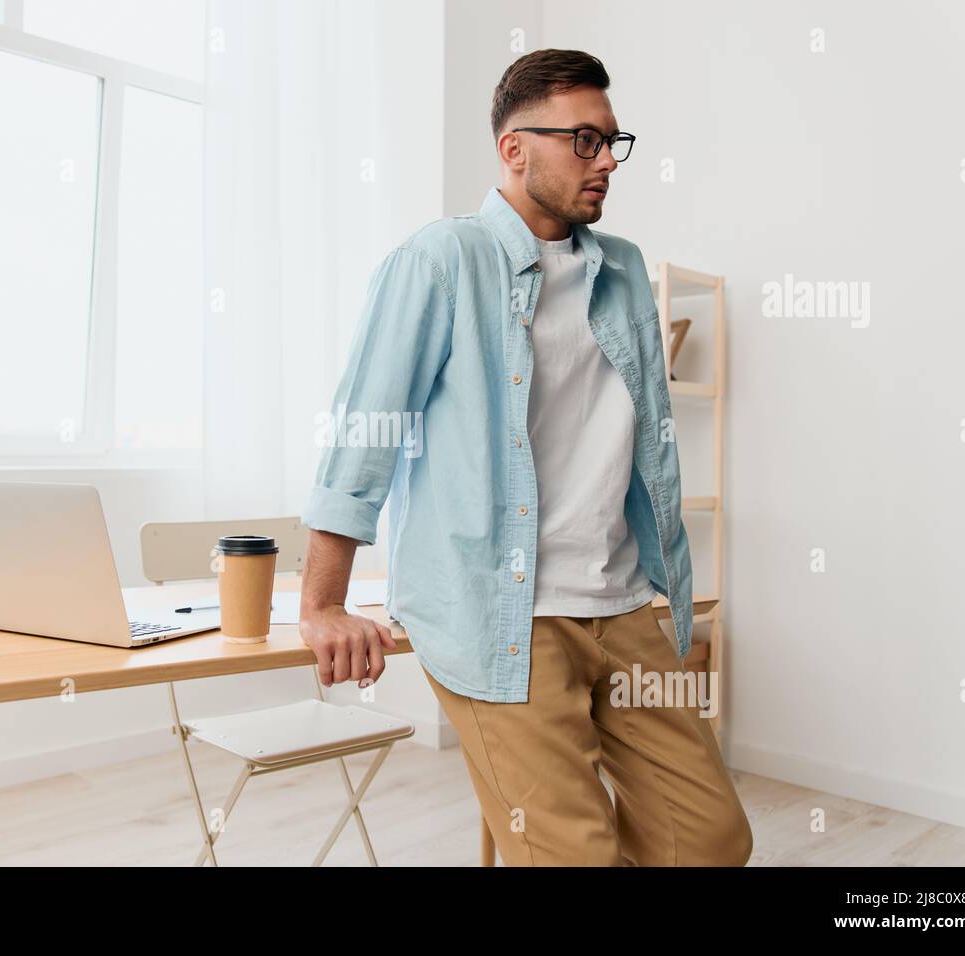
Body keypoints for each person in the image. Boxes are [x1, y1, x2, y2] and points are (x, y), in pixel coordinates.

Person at [299, 48, 752, 867]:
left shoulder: (622, 270)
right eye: (584, 140)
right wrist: (324, 603)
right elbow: (365, 429)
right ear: (515, 149)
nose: (607, 161)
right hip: (502, 616)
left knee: (712, 839)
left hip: (622, 603)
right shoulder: (441, 260)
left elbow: (642, 443)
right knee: (573, 853)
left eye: (613, 141)